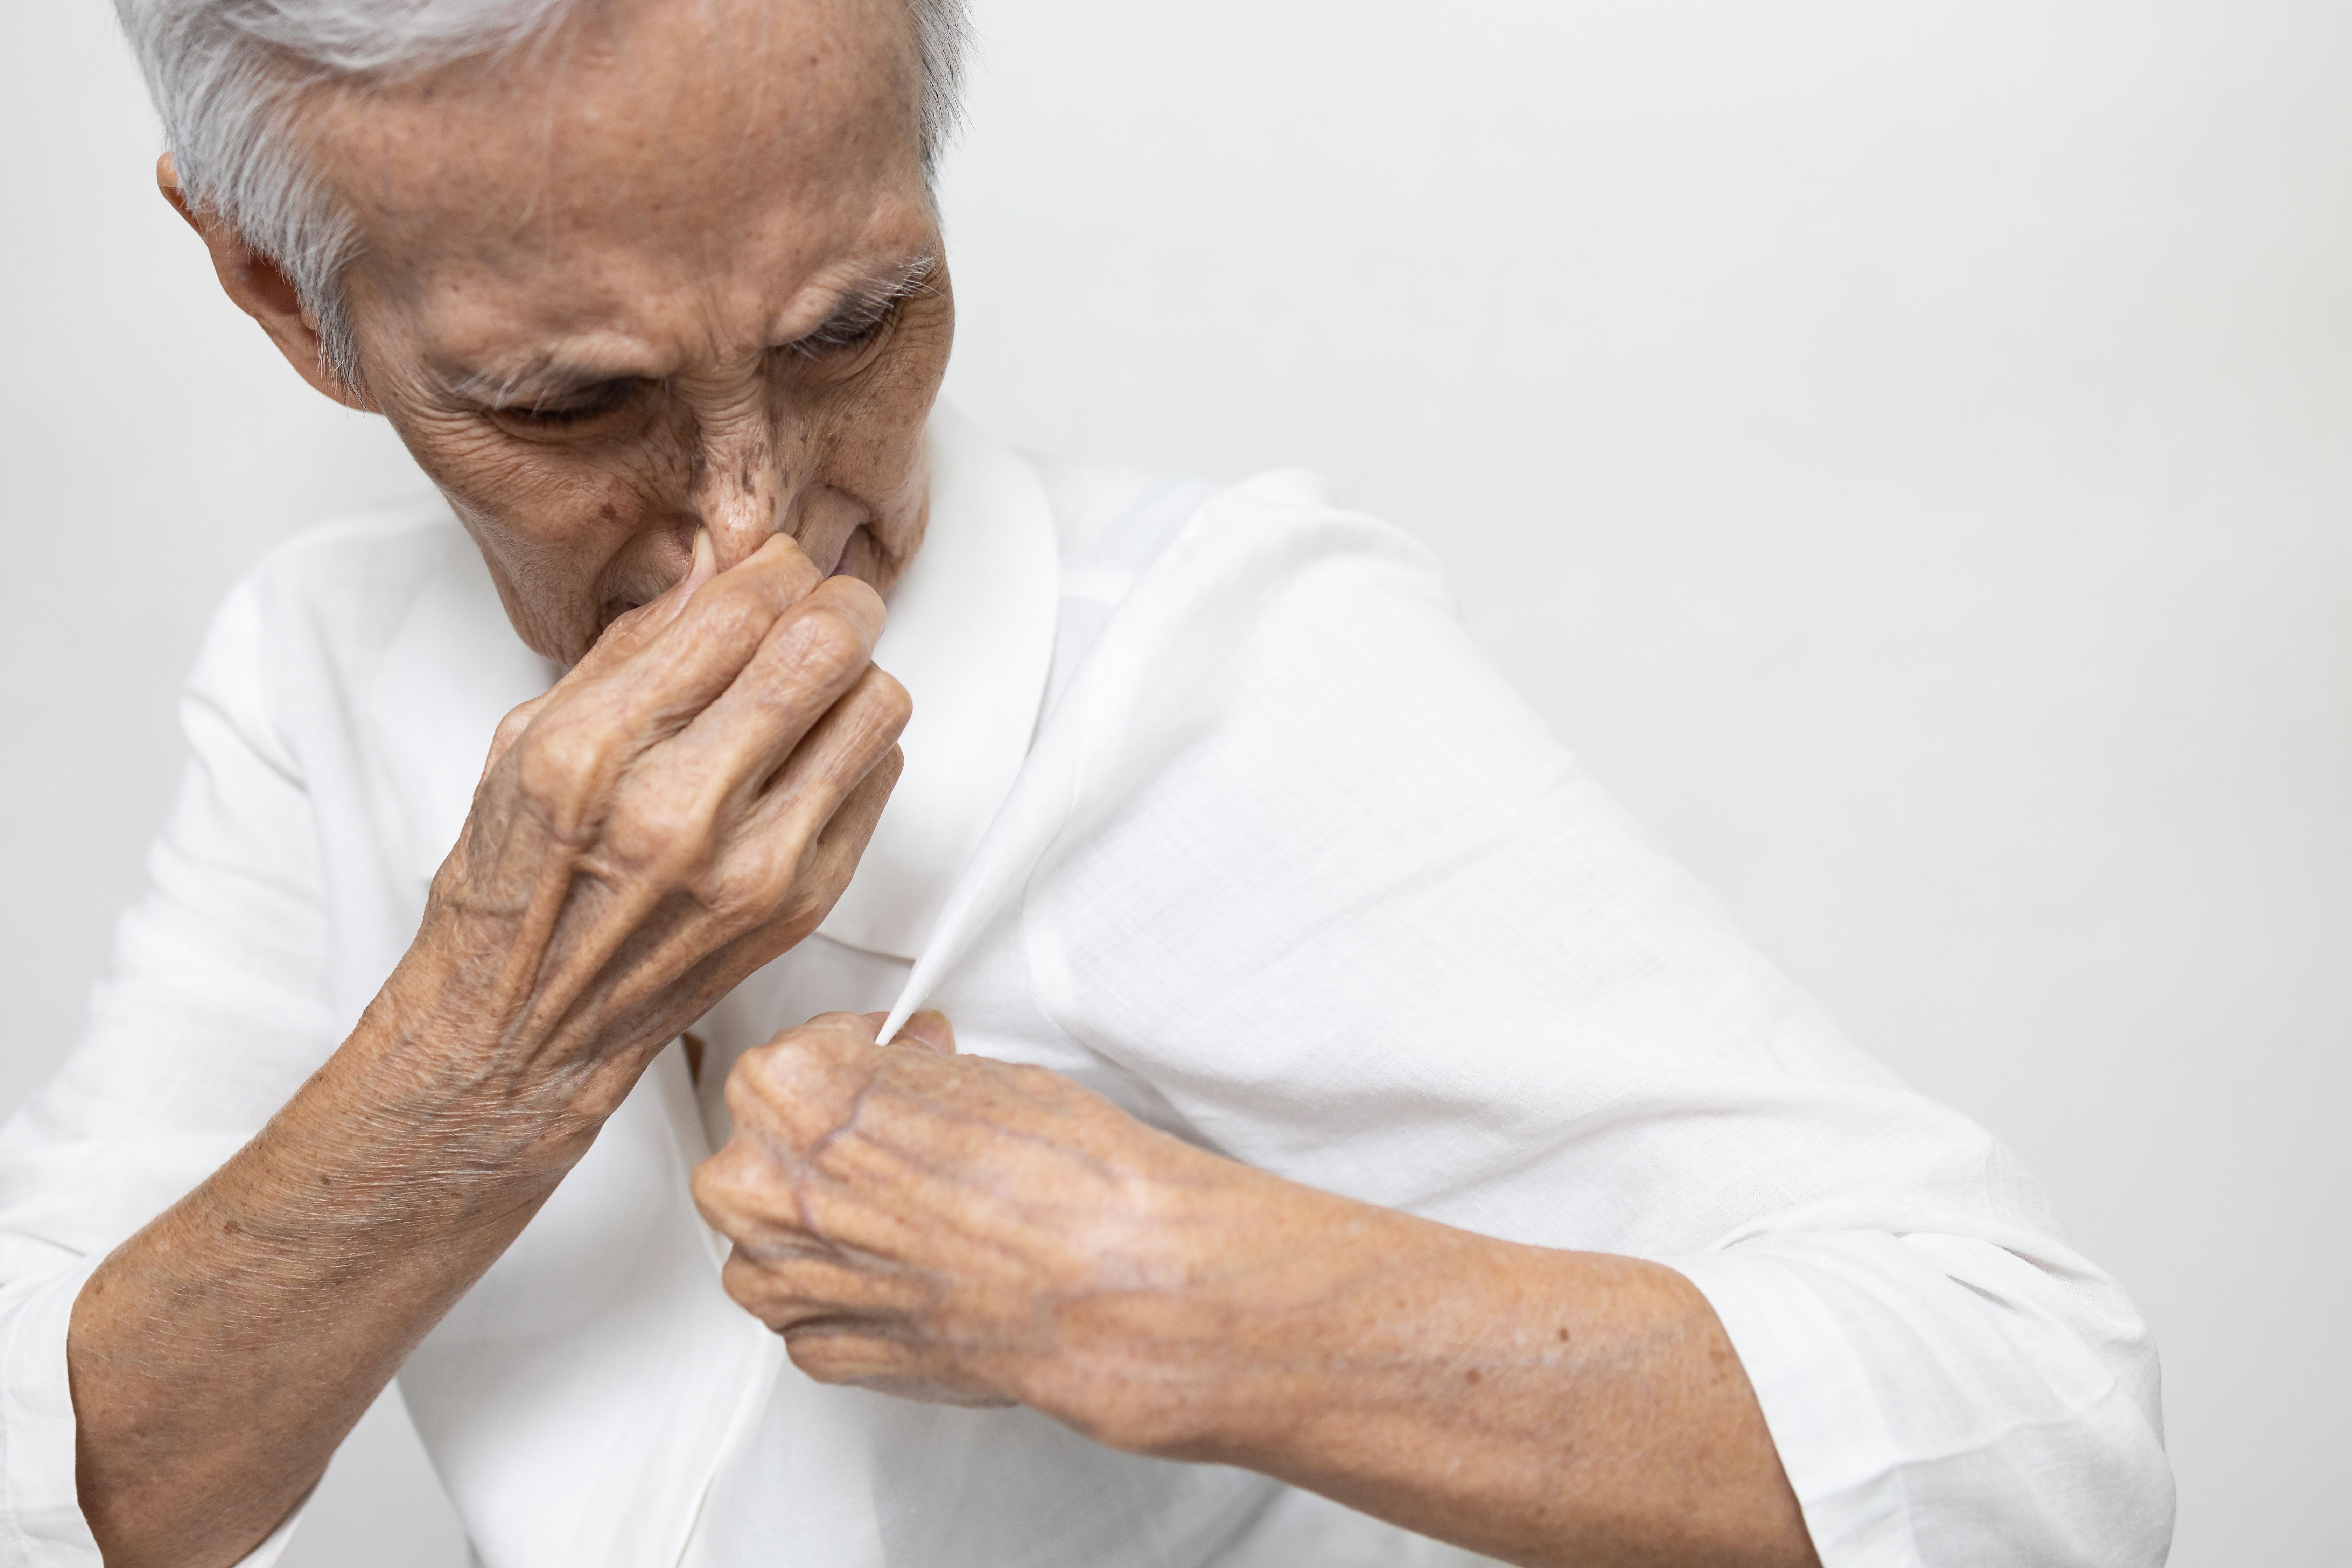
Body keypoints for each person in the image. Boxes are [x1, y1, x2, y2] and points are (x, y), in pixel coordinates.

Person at [0, 1, 2174, 1565]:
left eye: (859, 330)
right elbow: (85, 1481)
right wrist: (488, 1046)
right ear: (285, 294)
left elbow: (2041, 1442)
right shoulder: (313, 671)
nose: (753, 538)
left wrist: (1168, 1291)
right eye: (570, 410)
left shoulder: (1224, 666)